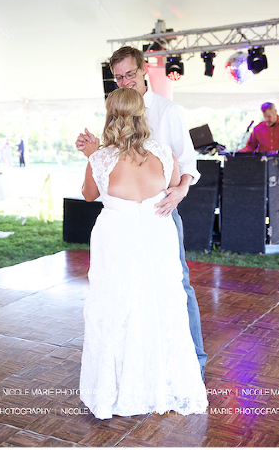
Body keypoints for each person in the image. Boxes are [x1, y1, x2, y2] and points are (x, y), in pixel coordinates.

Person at [76, 46, 207, 378]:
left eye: (129, 74)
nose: (124, 81)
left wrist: (180, 190)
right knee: (129, 288)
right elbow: (115, 166)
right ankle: (136, 362)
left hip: (160, 212)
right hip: (123, 218)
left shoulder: (168, 112)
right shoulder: (118, 107)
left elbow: (186, 162)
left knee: (176, 285)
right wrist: (97, 154)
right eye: (118, 77)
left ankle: (193, 361)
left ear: (144, 70)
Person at [240, 102, 279, 242]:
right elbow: (250, 147)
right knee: (264, 198)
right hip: (265, 166)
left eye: (269, 116)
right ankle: (266, 231)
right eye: (265, 117)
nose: (267, 119)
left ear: (275, 112)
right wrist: (237, 153)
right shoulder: (258, 128)